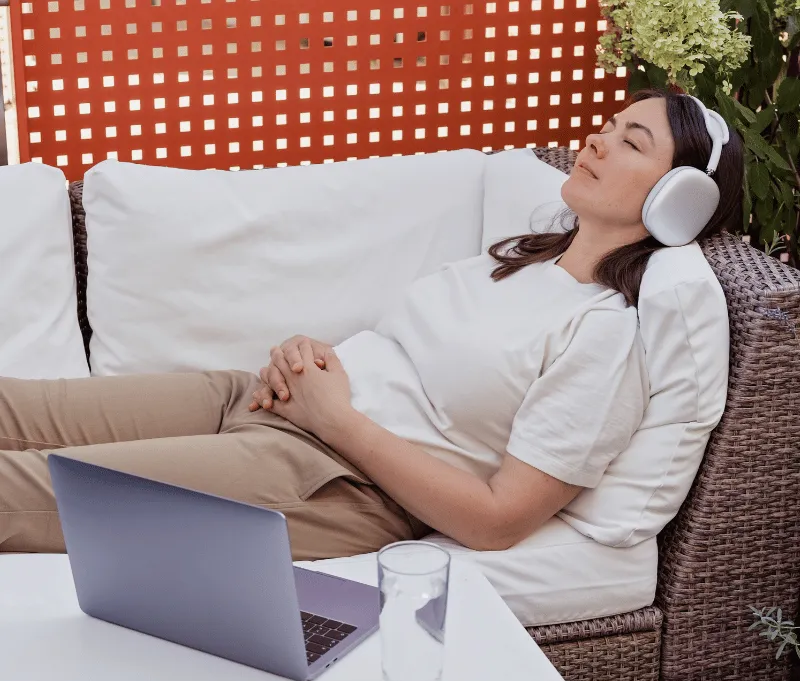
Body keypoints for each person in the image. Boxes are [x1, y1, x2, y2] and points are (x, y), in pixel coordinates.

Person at [0, 87, 744, 561]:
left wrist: (338, 421)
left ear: (678, 198)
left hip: (337, 481)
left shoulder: (603, 337)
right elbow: (403, 353)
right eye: (610, 125)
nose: (596, 141)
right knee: (16, 408)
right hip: (262, 398)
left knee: (23, 493)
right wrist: (312, 359)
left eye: (632, 142)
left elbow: (497, 520)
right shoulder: (519, 259)